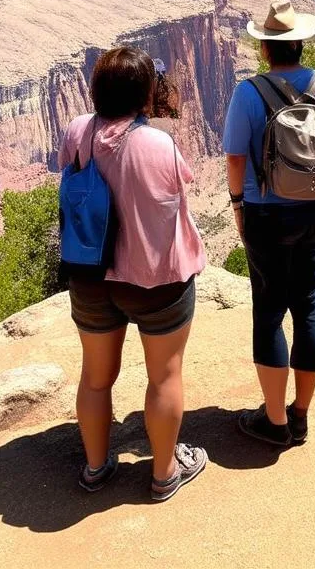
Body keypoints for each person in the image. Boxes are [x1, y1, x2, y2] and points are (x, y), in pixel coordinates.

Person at [58, 46, 208, 501]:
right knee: (164, 376)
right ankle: (164, 474)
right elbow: (179, 188)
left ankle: (96, 466)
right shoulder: (157, 144)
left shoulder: (77, 131)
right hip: (156, 281)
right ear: (145, 93)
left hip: (90, 275)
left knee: (95, 377)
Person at [223, 0, 315, 447]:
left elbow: (236, 157)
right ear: (301, 44)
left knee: (270, 309)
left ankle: (274, 422)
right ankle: (300, 415)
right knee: (308, 302)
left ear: (265, 50)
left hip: (266, 212)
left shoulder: (248, 93)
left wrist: (239, 205)